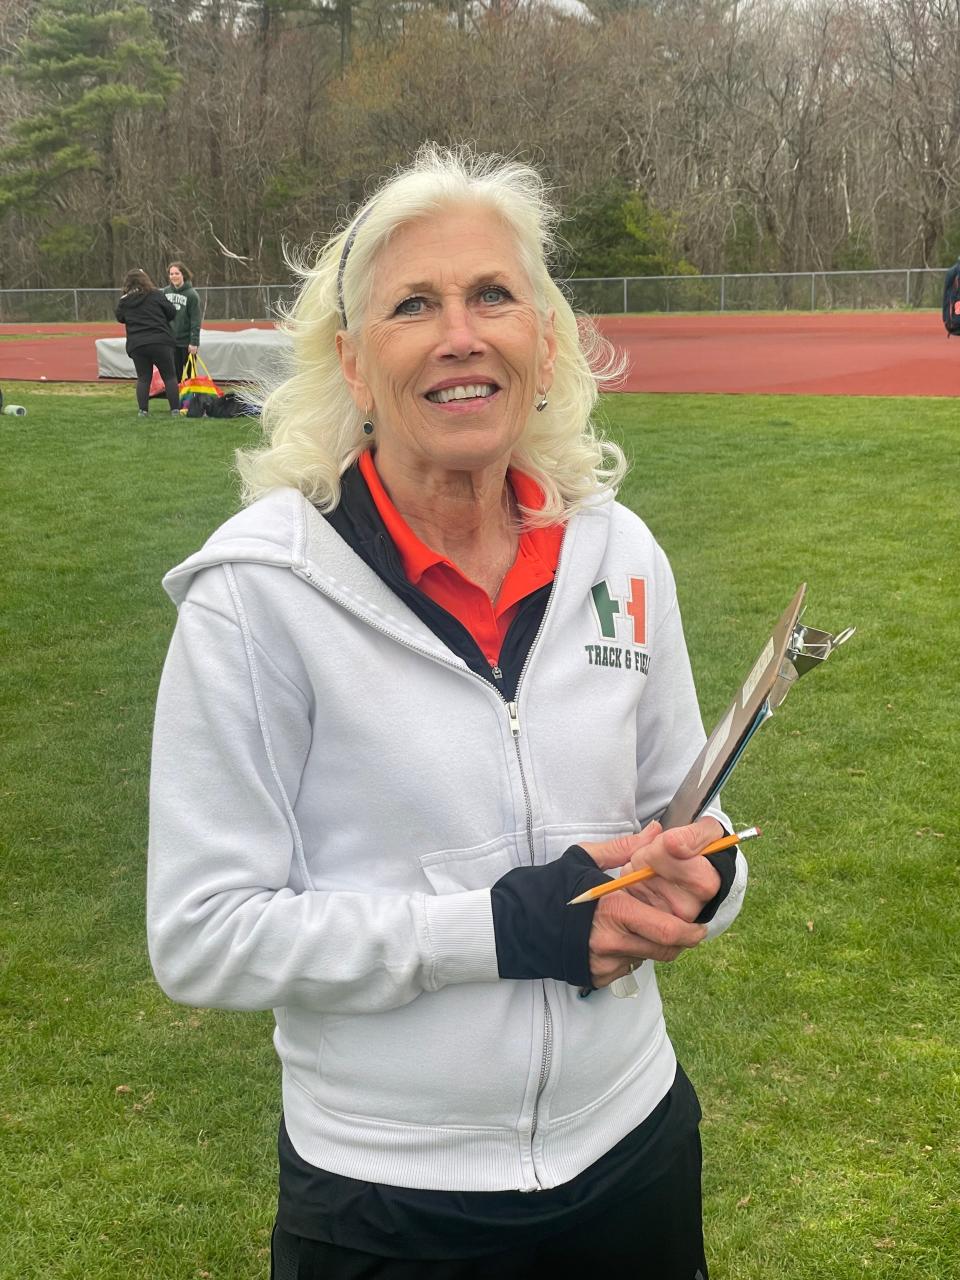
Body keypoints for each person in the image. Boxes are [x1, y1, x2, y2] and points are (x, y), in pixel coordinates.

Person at [147, 145, 748, 1279]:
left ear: (546, 341)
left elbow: (687, 802)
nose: (460, 333)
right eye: (414, 304)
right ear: (356, 365)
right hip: (388, 1199)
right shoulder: (257, 593)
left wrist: (712, 876)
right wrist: (497, 928)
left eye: (493, 296)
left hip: (636, 1146)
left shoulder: (619, 550)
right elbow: (202, 933)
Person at [115, 269, 180, 417]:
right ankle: (175, 410)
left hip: (138, 344)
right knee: (169, 376)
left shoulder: (125, 300)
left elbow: (120, 317)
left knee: (144, 378)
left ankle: (143, 410)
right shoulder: (156, 294)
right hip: (160, 341)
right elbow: (171, 312)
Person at [163, 261, 202, 380]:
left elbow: (195, 320)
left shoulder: (192, 295)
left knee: (191, 376)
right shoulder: (166, 292)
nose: (174, 276)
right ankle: (177, 398)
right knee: (174, 376)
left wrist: (194, 342)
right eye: (171, 274)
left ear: (183, 274)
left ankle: (192, 398)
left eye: (177, 273)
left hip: (186, 343)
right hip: (171, 342)